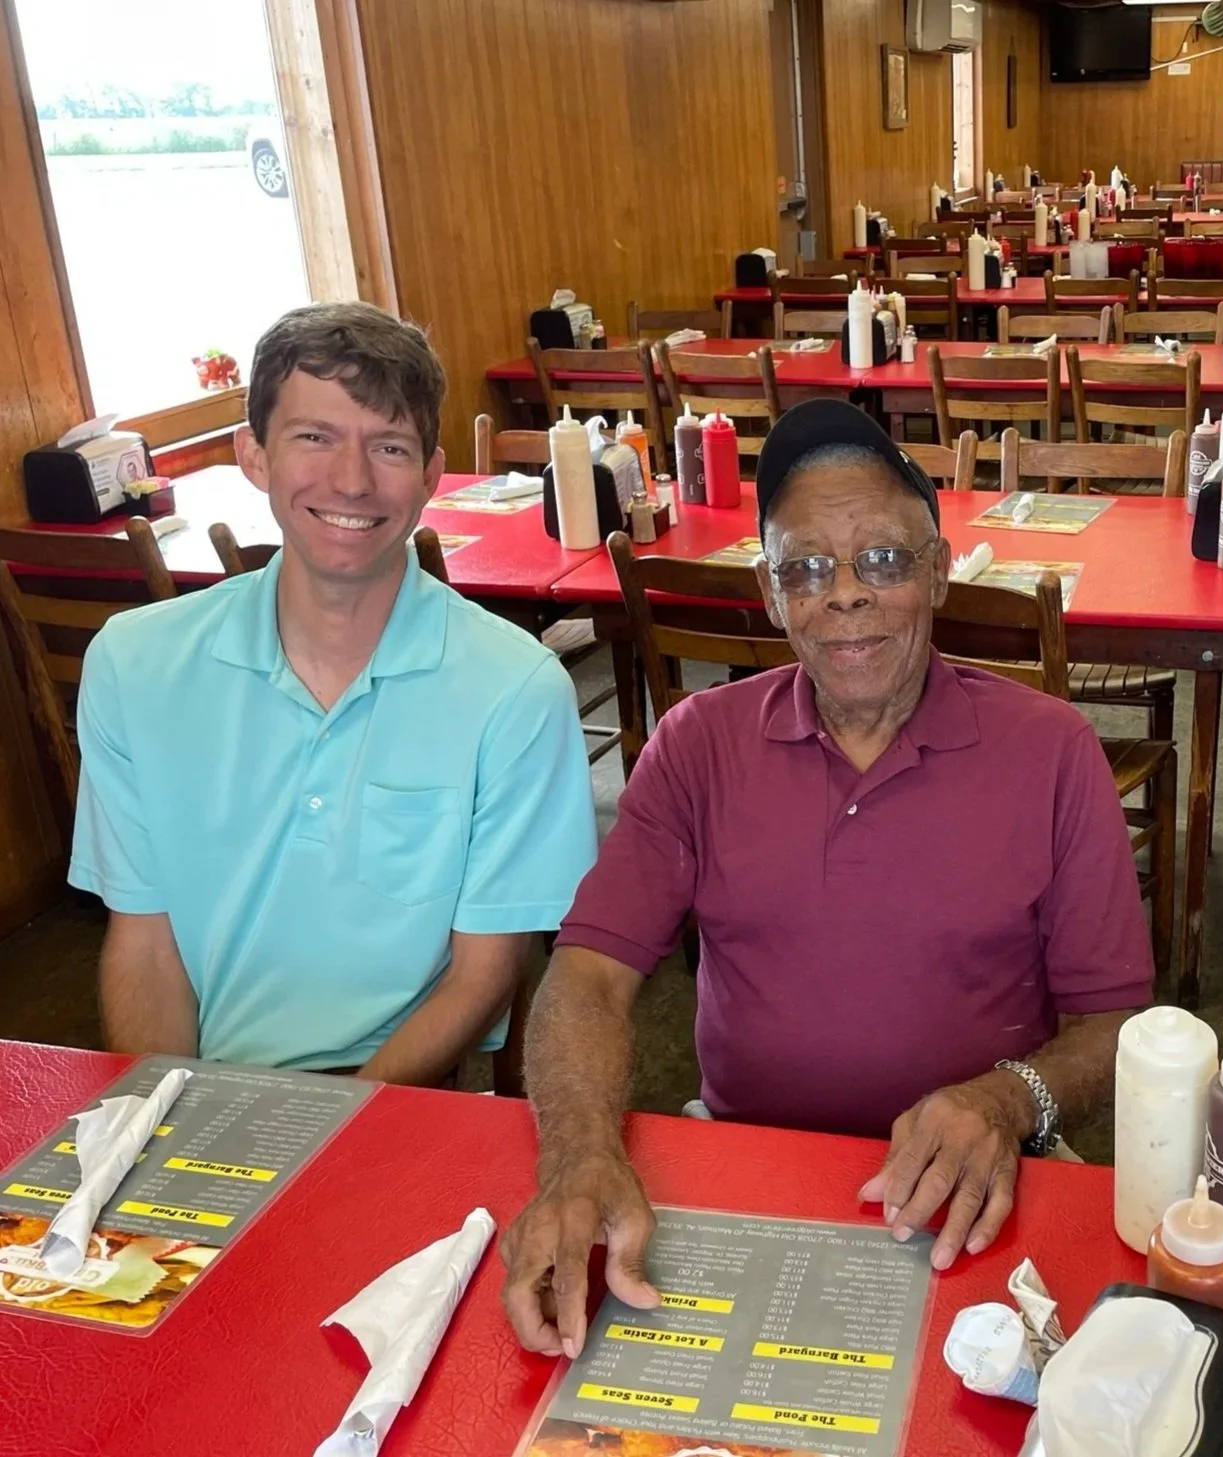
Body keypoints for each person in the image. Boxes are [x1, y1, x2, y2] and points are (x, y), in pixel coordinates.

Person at [501, 399, 1152, 1357]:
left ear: (936, 573)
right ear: (771, 594)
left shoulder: (1050, 751)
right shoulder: (696, 745)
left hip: (982, 1179)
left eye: (882, 560)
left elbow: (1117, 1028)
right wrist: (581, 1151)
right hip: (742, 1159)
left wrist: (1009, 1100)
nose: (843, 593)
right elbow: (587, 978)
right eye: (806, 568)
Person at [69, 302, 597, 1085]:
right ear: (255, 456)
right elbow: (146, 942)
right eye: (314, 437)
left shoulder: (515, 690)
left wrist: (328, 1131)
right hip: (199, 1080)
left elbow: (483, 973)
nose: (351, 480)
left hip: (403, 1092)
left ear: (428, 475)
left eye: (387, 445)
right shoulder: (133, 664)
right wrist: (166, 1113)